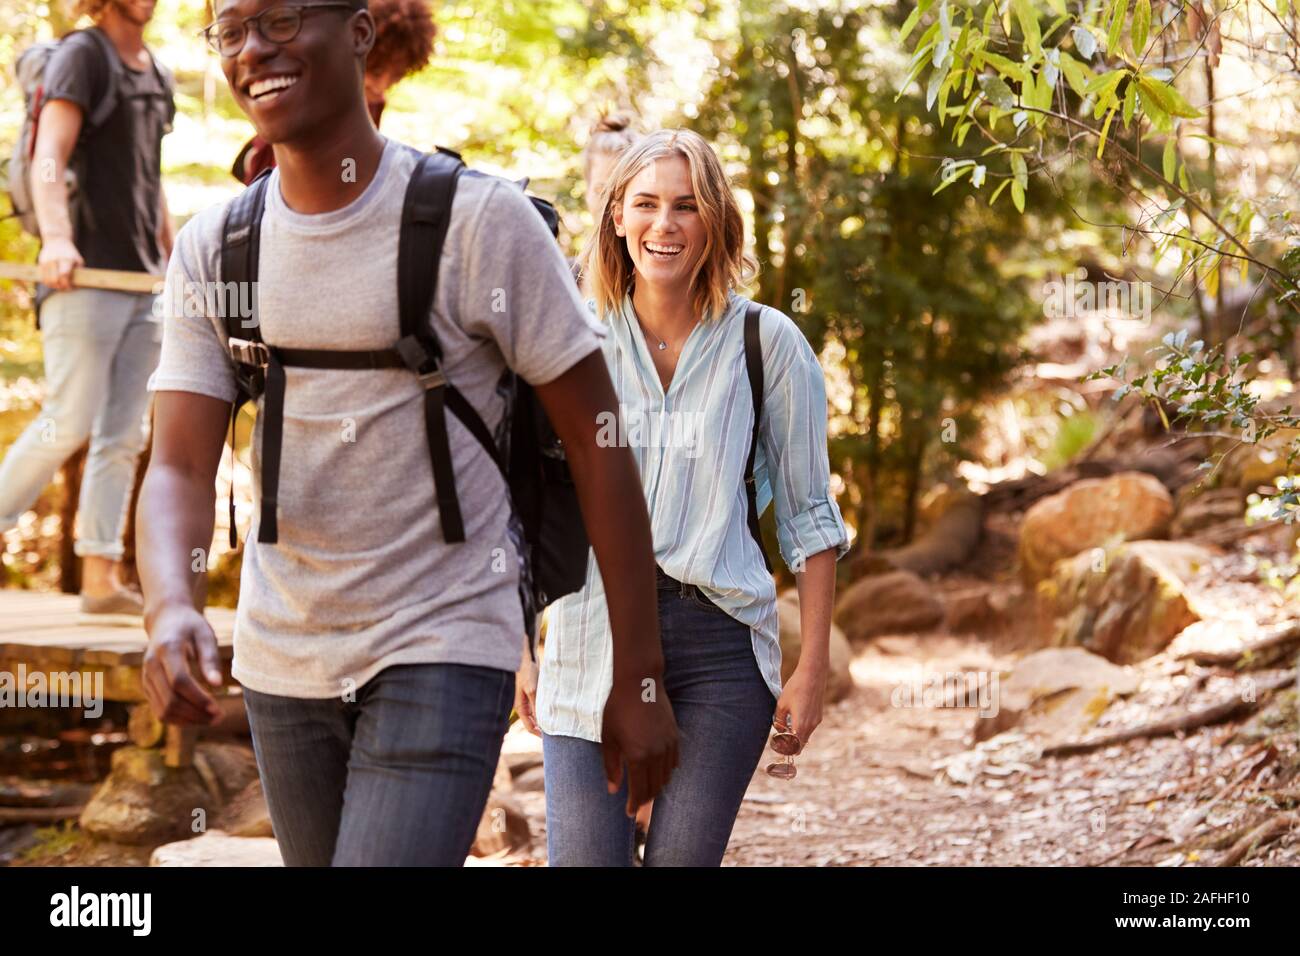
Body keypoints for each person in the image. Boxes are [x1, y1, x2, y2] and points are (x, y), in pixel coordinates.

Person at [136, 0, 678, 866]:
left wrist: (640, 673)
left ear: (357, 31)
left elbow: (599, 437)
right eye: (229, 32)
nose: (251, 52)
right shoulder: (217, 247)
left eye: (276, 21)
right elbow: (177, 465)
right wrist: (170, 609)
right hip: (284, 657)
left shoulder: (477, 223)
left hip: (445, 634)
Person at [531, 129, 850, 867]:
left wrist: (813, 666)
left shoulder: (767, 344)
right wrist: (521, 647)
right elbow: (532, 504)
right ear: (616, 217)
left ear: (716, 223)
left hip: (719, 644)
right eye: (645, 204)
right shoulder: (570, 341)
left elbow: (809, 517)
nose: (664, 225)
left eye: (686, 206)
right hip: (589, 637)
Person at [0, 0, 174, 623]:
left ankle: (101, 574)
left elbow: (149, 176)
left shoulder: (156, 70)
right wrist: (56, 237)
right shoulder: (82, 54)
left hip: (139, 280)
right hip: (82, 278)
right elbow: (50, 153)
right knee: (68, 420)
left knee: (124, 435)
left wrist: (171, 253)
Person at [230, 0, 436, 184]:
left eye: (395, 76)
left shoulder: (374, 103)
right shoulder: (311, 89)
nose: (380, 85)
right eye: (377, 69)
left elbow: (350, 168)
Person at [567, 111, 640, 295]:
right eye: (601, 191)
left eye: (621, 192)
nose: (611, 205)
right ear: (587, 191)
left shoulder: (656, 279)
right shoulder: (563, 276)